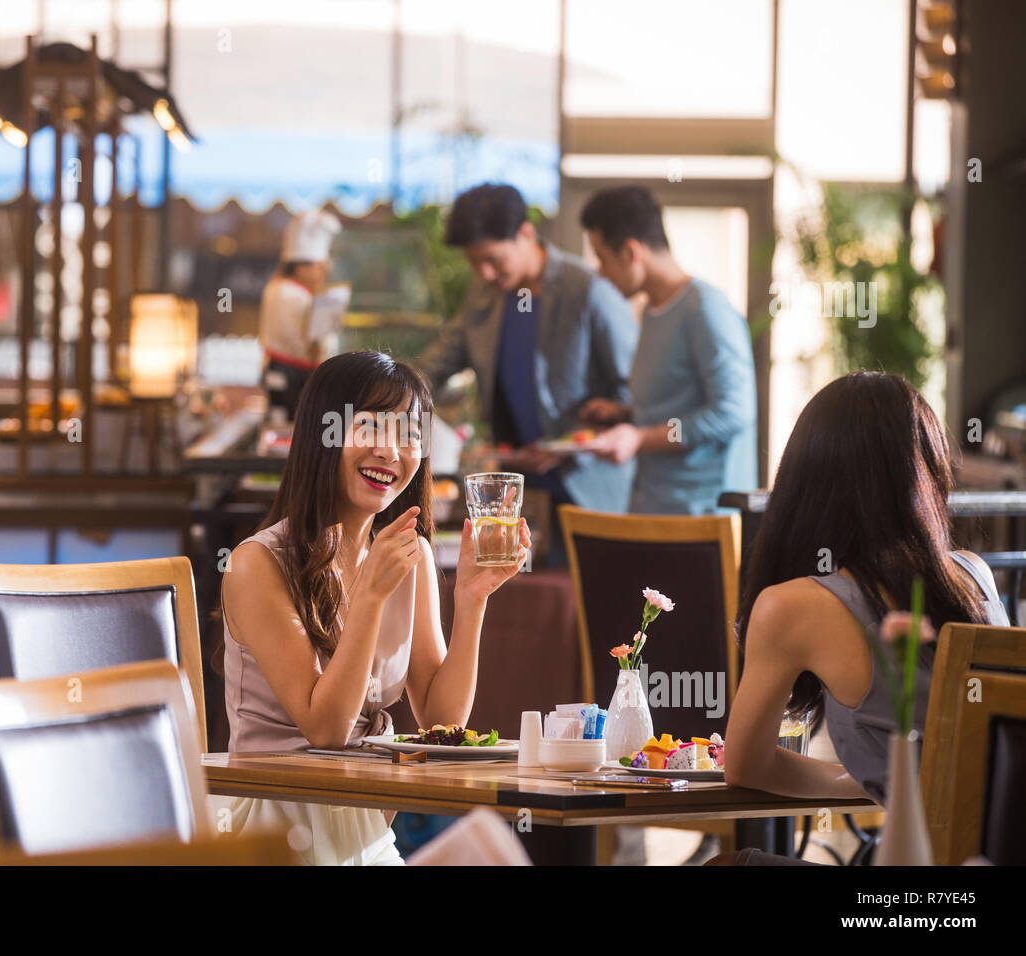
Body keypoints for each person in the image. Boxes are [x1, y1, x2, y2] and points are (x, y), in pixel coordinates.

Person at [216, 350, 531, 865]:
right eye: (369, 427)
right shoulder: (256, 565)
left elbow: (441, 717)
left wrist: (472, 601)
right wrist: (371, 594)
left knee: (491, 850)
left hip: (363, 826)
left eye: (409, 434)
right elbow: (326, 729)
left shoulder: (409, 555)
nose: (391, 450)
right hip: (278, 832)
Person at [725, 371, 1008, 807]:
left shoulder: (791, 606)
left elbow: (746, 767)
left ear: (804, 482)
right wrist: (910, 776)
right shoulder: (975, 577)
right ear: (927, 473)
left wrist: (886, 780)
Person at [417, 183, 639, 530]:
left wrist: (580, 437)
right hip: (517, 493)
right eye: (475, 263)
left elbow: (635, 390)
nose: (485, 273)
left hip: (589, 491)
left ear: (526, 232)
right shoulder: (483, 295)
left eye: (493, 259)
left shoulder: (588, 290)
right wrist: (389, 394)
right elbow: (436, 364)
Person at [578, 185, 757, 516]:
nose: (601, 274)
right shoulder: (651, 310)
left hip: (701, 515)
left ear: (632, 252)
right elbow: (682, 404)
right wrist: (625, 414)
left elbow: (732, 410)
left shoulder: (704, 309)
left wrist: (640, 437)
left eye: (602, 260)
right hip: (652, 506)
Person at [258, 208, 345, 420]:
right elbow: (314, 343)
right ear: (301, 267)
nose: (324, 273)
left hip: (292, 376)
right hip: (287, 377)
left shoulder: (282, 289)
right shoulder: (288, 294)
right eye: (319, 267)